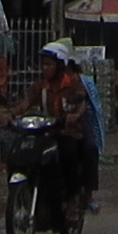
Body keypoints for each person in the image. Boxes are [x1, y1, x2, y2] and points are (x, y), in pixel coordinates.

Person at [36, 43, 100, 211]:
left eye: (48, 64)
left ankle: (76, 198)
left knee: (80, 151)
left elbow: (81, 101)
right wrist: (10, 115)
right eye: (43, 64)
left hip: (73, 130)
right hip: (50, 130)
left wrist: (75, 115)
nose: (44, 68)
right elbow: (25, 102)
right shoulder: (41, 85)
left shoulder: (73, 82)